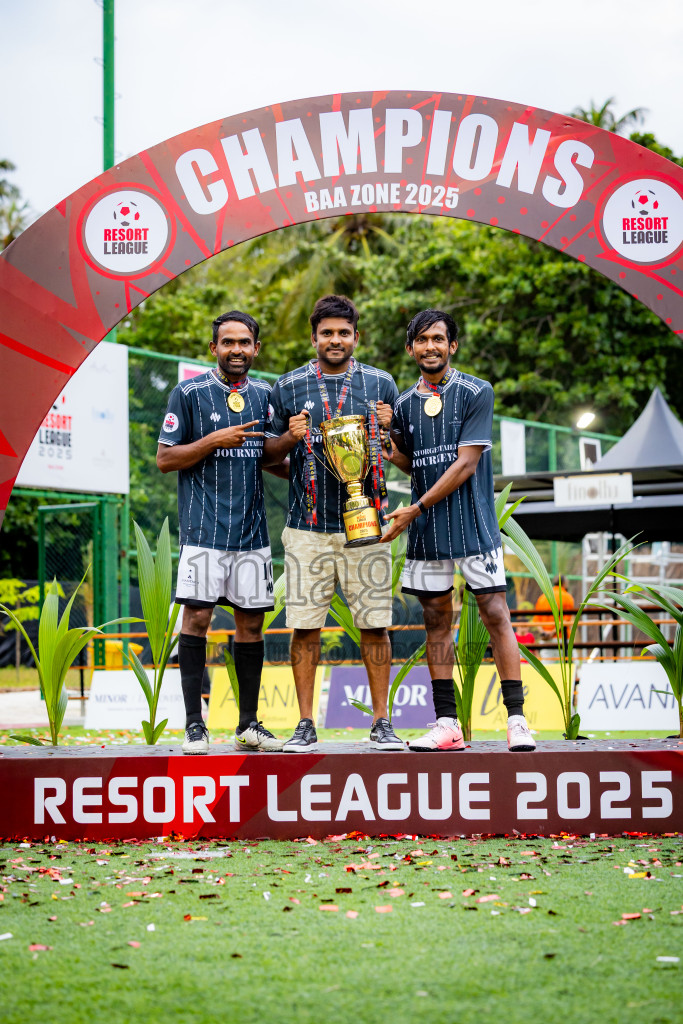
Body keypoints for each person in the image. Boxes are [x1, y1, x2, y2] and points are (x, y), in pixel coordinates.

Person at [382, 309, 536, 753]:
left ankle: (517, 721)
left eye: (438, 339)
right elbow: (417, 463)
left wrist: (415, 507)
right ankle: (447, 723)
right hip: (429, 531)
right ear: (410, 348)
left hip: (471, 524)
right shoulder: (406, 404)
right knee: (435, 622)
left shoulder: (476, 391)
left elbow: (466, 463)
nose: (430, 346)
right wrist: (387, 449)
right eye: (421, 340)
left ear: (452, 346)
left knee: (495, 614)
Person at [264, 294, 403, 751]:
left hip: (366, 526)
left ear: (356, 337)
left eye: (344, 332)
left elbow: (398, 453)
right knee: (304, 626)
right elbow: (265, 454)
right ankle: (305, 723)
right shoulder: (287, 386)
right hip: (307, 525)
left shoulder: (382, 383)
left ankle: (382, 722)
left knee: (374, 624)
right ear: (314, 337)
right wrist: (292, 441)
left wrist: (386, 431)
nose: (335, 340)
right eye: (327, 333)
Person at [157, 310, 286, 754]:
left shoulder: (267, 397)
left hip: (251, 535)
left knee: (252, 623)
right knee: (197, 619)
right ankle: (195, 725)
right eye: (228, 342)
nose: (236, 350)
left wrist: (316, 467)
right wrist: (213, 440)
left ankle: (248, 724)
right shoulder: (188, 393)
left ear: (256, 348)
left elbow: (270, 458)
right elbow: (165, 459)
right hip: (203, 532)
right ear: (213, 348)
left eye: (244, 342)